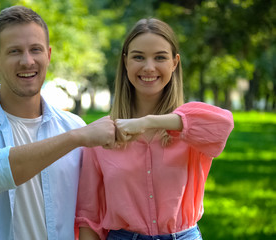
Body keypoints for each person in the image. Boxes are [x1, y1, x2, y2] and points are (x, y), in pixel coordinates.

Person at [0, 6, 116, 240]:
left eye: (36, 50)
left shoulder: (73, 124)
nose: (27, 61)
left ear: (49, 55)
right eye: (14, 51)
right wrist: (76, 138)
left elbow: (90, 212)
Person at [75, 18, 234, 240]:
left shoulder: (190, 127)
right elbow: (88, 216)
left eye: (160, 57)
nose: (149, 67)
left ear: (175, 63)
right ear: (126, 62)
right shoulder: (101, 134)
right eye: (138, 57)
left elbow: (223, 124)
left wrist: (148, 122)